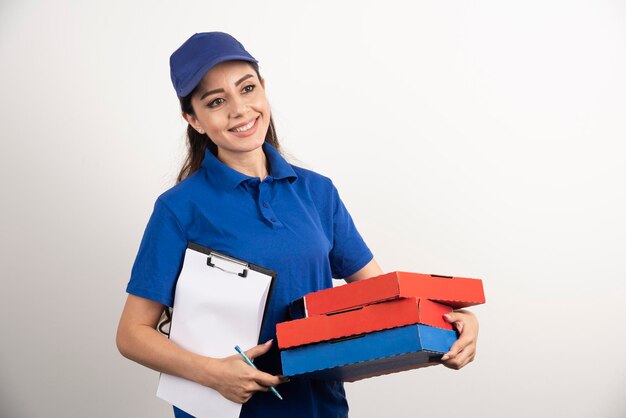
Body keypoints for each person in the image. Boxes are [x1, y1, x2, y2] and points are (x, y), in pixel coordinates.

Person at [116, 31, 479, 418]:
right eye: (216, 101)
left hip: (319, 407)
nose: (239, 109)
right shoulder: (179, 208)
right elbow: (132, 334)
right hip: (228, 411)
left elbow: (381, 294)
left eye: (247, 88)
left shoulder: (317, 192)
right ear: (194, 119)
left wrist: (454, 320)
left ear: (264, 89)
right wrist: (213, 373)